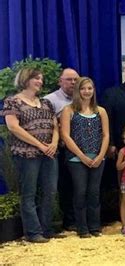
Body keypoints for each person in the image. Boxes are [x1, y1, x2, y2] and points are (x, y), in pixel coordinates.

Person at [1, 68, 59, 243]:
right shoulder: (12, 102)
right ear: (26, 79)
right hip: (26, 154)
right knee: (29, 193)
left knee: (50, 191)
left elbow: (55, 126)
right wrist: (40, 145)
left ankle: (47, 229)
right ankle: (33, 232)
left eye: (41, 79)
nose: (40, 82)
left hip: (49, 153)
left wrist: (54, 143)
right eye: (36, 78)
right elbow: (13, 127)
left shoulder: (46, 103)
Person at [60, 77, 109, 238]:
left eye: (89, 88)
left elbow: (105, 135)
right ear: (77, 91)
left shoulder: (100, 111)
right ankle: (82, 228)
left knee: (94, 192)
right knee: (80, 192)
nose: (87, 91)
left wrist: (101, 155)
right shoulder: (69, 110)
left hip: (97, 158)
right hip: (76, 159)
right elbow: (65, 135)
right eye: (83, 88)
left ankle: (95, 227)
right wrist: (81, 156)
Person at [44, 68, 80, 232]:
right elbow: (45, 127)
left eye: (75, 80)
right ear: (60, 81)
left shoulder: (84, 97)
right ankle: (68, 221)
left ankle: (80, 219)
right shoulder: (49, 100)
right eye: (69, 80)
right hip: (62, 149)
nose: (73, 83)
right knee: (65, 186)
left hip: (82, 148)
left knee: (79, 185)